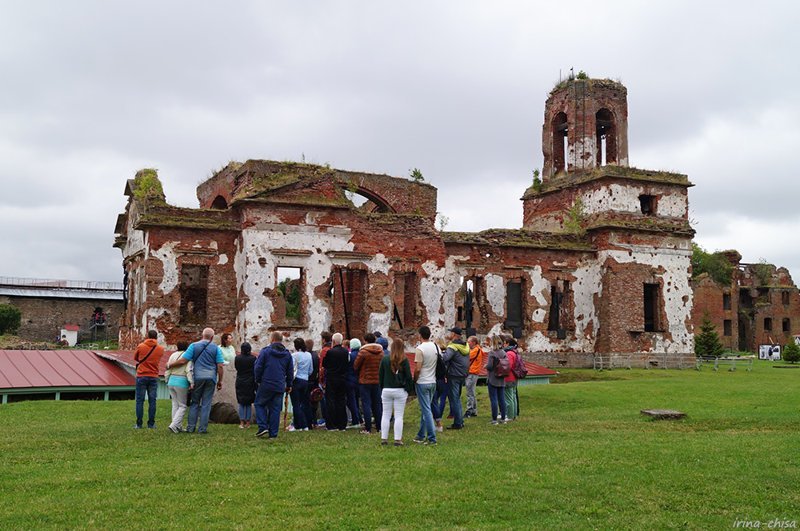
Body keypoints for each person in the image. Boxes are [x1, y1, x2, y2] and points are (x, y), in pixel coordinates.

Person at [167, 328, 224, 434]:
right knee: (206, 404)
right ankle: (202, 428)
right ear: (212, 337)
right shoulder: (216, 348)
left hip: (197, 377)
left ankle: (191, 427)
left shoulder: (194, 346)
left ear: (202, 335)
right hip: (211, 377)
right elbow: (220, 365)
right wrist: (220, 381)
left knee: (195, 402)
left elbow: (184, 360)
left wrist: (170, 365)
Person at [254, 331, 294, 438]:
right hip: (279, 384)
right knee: (275, 409)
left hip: (266, 383)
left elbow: (258, 367)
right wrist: (289, 385)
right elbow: (290, 371)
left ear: (272, 339)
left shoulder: (265, 352)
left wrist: (257, 379)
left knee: (259, 404)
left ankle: (263, 426)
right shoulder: (287, 354)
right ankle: (273, 433)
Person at [379, 338, 413, 446]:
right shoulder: (404, 360)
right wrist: (408, 389)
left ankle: (384, 438)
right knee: (399, 416)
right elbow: (408, 377)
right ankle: (397, 439)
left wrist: (382, 387)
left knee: (385, 415)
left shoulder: (385, 359)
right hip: (399, 390)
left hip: (386, 389)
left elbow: (380, 376)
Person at [133, 330, 166, 429]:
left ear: (147, 336)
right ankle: (151, 424)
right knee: (152, 401)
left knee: (140, 400)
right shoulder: (160, 349)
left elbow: (136, 358)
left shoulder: (141, 346)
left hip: (142, 375)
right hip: (153, 376)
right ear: (156, 337)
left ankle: (139, 424)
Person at [412, 326, 439, 445]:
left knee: (426, 410)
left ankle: (432, 437)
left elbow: (418, 368)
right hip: (432, 380)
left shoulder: (420, 349)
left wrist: (415, 379)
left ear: (420, 335)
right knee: (425, 409)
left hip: (422, 381)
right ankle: (420, 435)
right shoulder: (435, 346)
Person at [354, 332, 384, 434]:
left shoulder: (363, 352)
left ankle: (368, 428)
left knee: (366, 404)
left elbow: (356, 365)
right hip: (377, 380)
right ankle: (379, 427)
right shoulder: (381, 352)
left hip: (365, 380)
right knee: (377, 404)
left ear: (365, 341)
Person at [442, 326, 470, 430]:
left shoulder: (452, 346)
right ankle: (459, 420)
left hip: (453, 375)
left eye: (450, 333)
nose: (449, 335)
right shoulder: (465, 346)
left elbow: (445, 358)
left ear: (454, 335)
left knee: (454, 399)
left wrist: (440, 353)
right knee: (457, 397)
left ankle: (458, 422)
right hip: (462, 374)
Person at [322, 333, 349, 431]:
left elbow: (325, 364)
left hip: (332, 378)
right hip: (342, 378)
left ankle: (332, 424)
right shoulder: (345, 352)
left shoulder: (331, 352)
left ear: (333, 341)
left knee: (331, 401)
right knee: (341, 400)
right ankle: (342, 424)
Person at [164, 340, 192, 433]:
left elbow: (168, 368)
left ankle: (177, 426)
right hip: (182, 381)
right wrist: (191, 382)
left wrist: (167, 379)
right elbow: (189, 370)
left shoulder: (173, 355)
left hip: (171, 380)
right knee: (183, 406)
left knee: (175, 404)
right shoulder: (187, 357)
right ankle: (174, 425)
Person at [289, 338, 312, 431]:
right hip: (305, 380)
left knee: (296, 404)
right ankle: (305, 424)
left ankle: (299, 425)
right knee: (304, 403)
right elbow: (311, 370)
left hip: (296, 380)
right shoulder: (308, 355)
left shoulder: (294, 355)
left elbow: (292, 369)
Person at [485, 336, 508, 424]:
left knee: (493, 399)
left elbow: (490, 366)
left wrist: (485, 366)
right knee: (502, 399)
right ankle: (503, 418)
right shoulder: (503, 352)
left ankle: (494, 419)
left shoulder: (492, 353)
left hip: (493, 377)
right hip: (501, 377)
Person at [234, 342, 256, 429]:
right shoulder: (253, 358)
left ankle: (241, 421)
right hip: (250, 380)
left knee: (241, 402)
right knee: (248, 402)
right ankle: (247, 422)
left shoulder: (237, 358)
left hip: (240, 380)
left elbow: (236, 368)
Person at [345, 338, 363, 428]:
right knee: (355, 400)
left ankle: (356, 420)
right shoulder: (361, 354)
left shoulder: (350, 355)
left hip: (350, 379)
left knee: (350, 401)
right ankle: (359, 418)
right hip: (359, 380)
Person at [465, 335, 484, 418]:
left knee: (470, 393)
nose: (467, 343)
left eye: (469, 342)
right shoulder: (477, 349)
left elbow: (466, 356)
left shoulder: (476, 350)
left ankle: (469, 410)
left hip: (472, 373)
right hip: (473, 373)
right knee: (472, 392)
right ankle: (474, 410)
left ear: (474, 342)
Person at [306, 338, 322, 427]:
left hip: (309, 380)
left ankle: (309, 422)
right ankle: (314, 421)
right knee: (314, 401)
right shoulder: (316, 355)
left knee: (307, 401)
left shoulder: (308, 355)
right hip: (315, 380)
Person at [503, 334, 519, 421]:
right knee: (513, 397)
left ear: (508, 344)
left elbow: (507, 366)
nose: (503, 345)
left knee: (509, 398)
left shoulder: (509, 353)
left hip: (509, 377)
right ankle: (514, 414)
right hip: (514, 377)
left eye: (504, 343)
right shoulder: (515, 352)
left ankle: (509, 416)